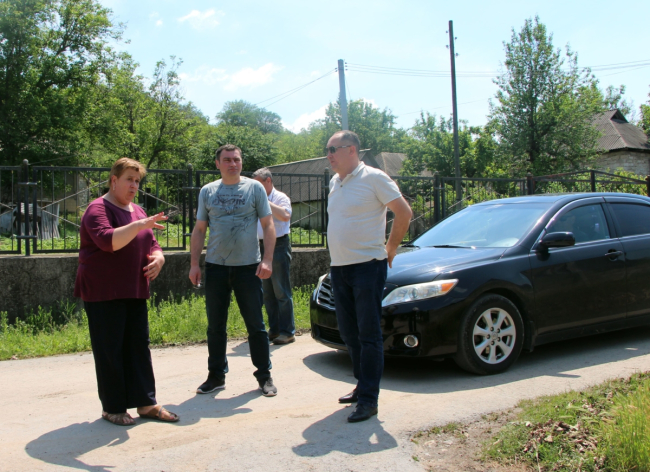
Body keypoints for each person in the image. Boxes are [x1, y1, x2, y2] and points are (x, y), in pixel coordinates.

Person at [74, 157, 179, 426]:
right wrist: (140, 225)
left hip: (134, 287)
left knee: (138, 347)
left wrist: (159, 258)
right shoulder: (97, 209)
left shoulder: (139, 211)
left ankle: (146, 402)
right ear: (114, 180)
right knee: (110, 349)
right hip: (103, 290)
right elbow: (108, 241)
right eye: (129, 180)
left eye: (137, 181)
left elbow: (152, 243)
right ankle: (113, 407)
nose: (134, 186)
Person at [325, 131, 412, 423]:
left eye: (333, 149)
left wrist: (390, 248)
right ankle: (362, 384)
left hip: (367, 267)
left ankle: (369, 399)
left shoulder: (374, 177)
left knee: (368, 334)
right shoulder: (335, 182)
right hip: (340, 267)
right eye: (327, 150)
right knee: (348, 332)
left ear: (351, 150)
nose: (329, 155)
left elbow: (404, 212)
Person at [189, 144, 278, 397]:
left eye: (236, 159)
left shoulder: (255, 188)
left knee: (256, 325)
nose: (233, 164)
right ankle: (216, 376)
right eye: (227, 160)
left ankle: (264, 376)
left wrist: (267, 260)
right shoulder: (208, 191)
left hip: (248, 267)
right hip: (216, 267)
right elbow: (199, 229)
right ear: (217, 164)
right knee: (215, 326)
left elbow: (268, 225)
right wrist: (194, 264)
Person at [252, 167, 295, 345]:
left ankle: (287, 331)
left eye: (258, 184)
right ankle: (275, 329)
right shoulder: (255, 199)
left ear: (268, 181)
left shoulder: (280, 197)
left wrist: (264, 202)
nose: (255, 188)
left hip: (279, 245)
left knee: (281, 291)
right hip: (260, 247)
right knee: (267, 293)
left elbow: (285, 216)